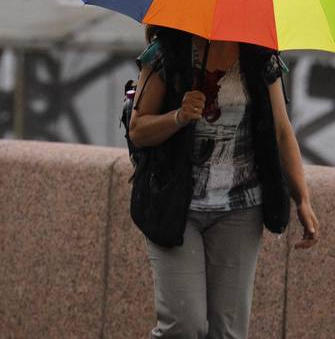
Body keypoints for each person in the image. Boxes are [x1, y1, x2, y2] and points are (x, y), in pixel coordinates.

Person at [128, 25, 319, 339]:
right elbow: (138, 129)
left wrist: (302, 198)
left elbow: (282, 131)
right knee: (183, 327)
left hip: (240, 209)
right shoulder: (167, 52)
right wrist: (178, 116)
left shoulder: (260, 54)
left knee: (228, 333)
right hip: (175, 205)